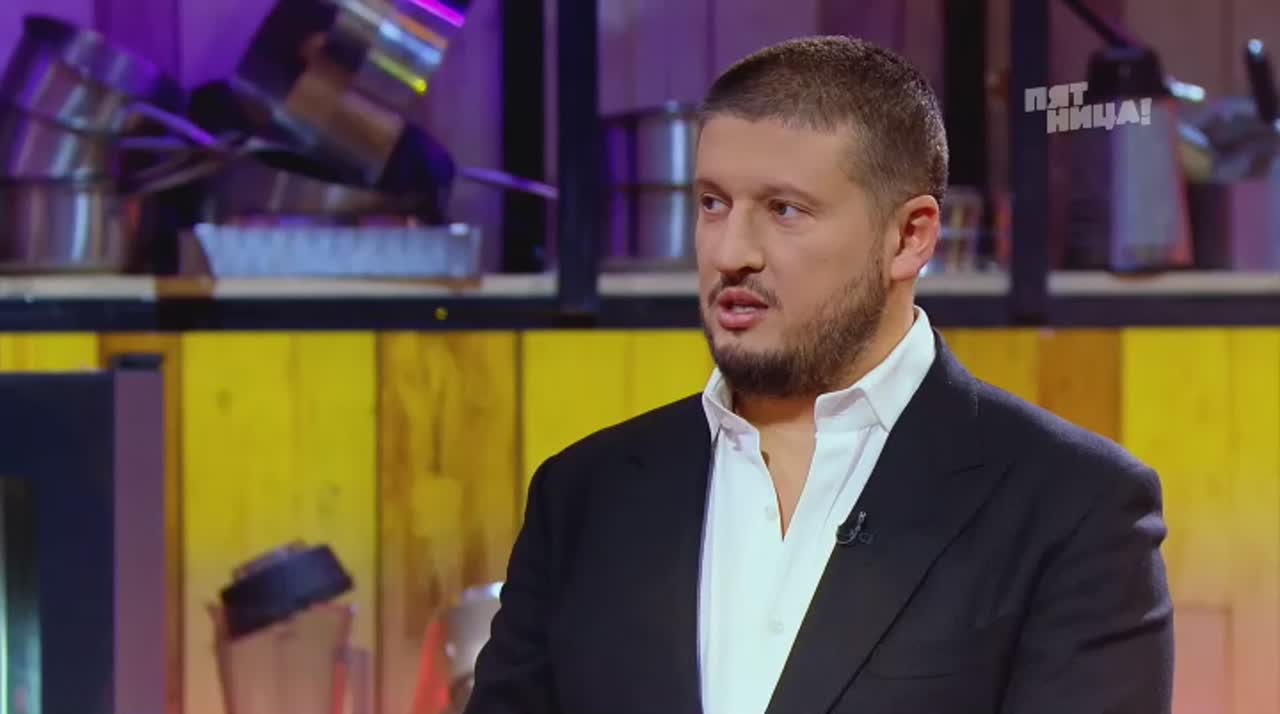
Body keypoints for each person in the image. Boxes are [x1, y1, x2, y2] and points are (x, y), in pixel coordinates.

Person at [465, 36, 1174, 714]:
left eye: (785, 210)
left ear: (909, 237)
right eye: (713, 204)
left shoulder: (1073, 508)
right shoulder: (584, 497)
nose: (731, 253)